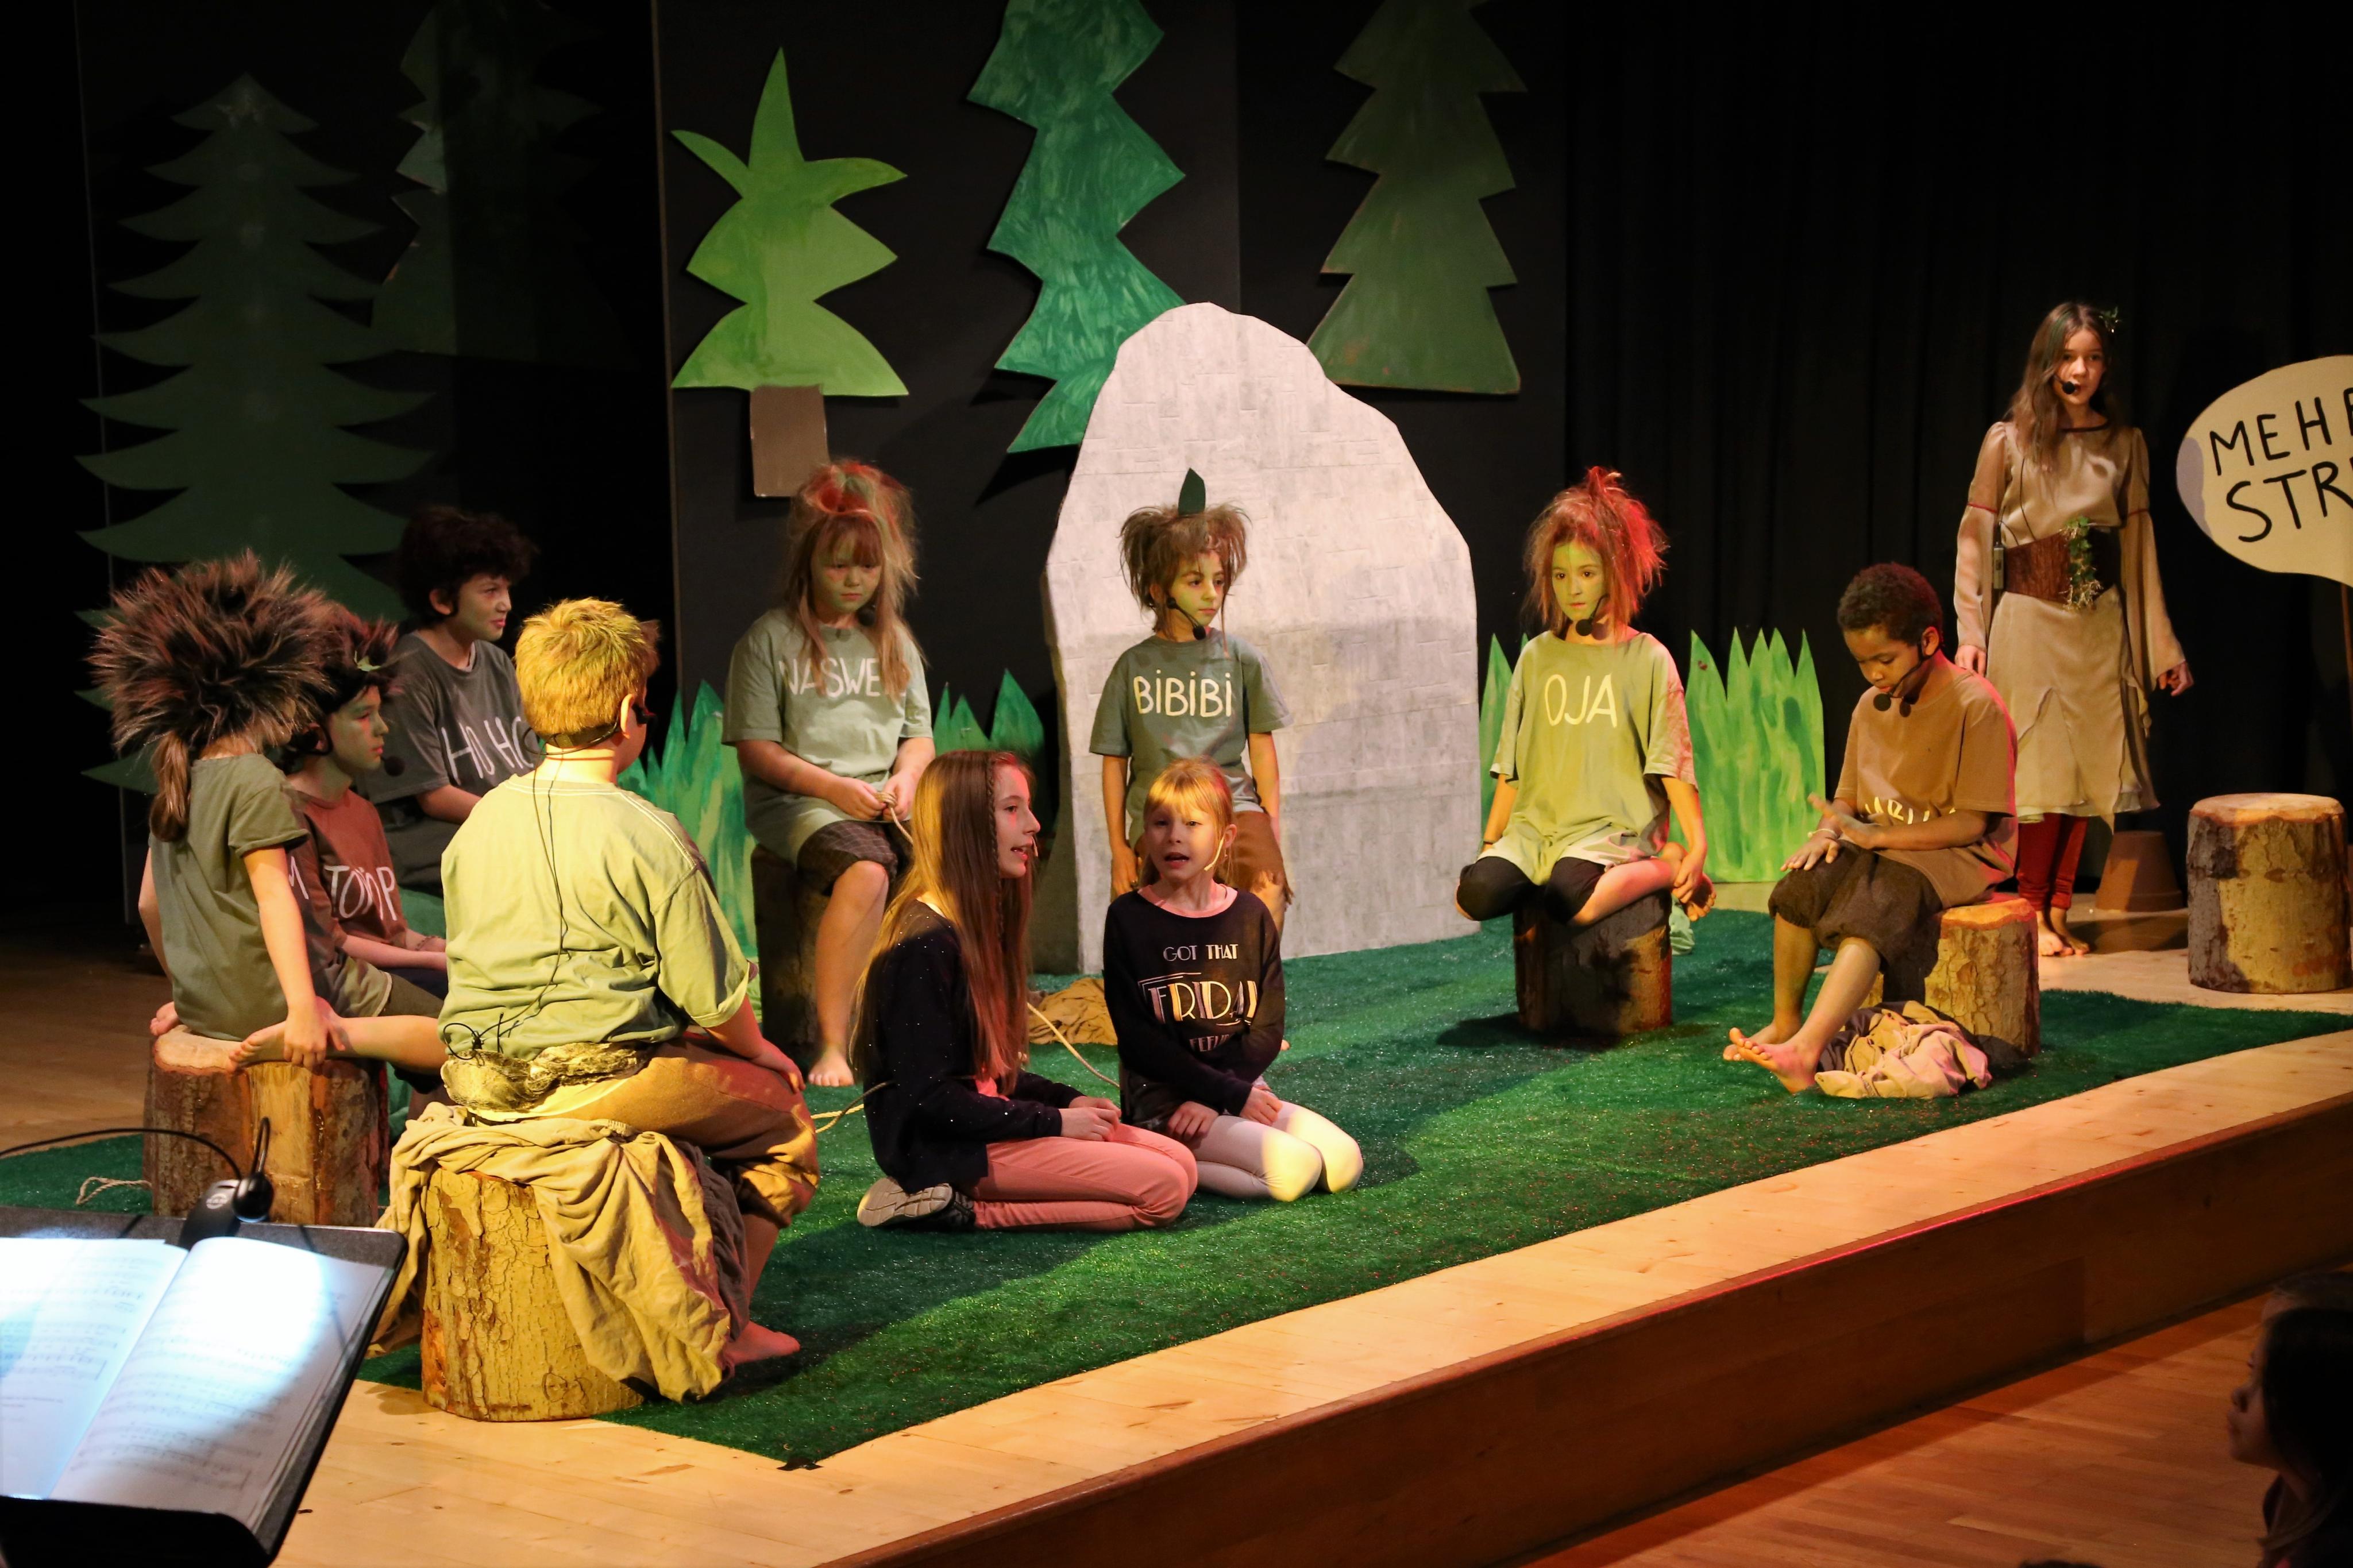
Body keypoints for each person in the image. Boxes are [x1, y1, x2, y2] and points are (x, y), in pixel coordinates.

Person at [90, 554, 443, 1085]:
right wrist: (304, 1010)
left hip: (213, 1008)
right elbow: (275, 898)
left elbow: (149, 905)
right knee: (465, 1040)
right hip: (289, 996)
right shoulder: (256, 778)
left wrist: (191, 993)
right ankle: (347, 1038)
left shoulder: (183, 777)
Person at [854, 750, 1197, 1231]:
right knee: (1165, 1190)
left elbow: (988, 1078)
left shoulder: (973, 924)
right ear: (965, 824)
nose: (1034, 825)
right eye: (1012, 809)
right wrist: (1053, 1122)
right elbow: (931, 1101)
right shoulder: (922, 945)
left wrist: (1066, 1101)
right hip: (952, 1149)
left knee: (1182, 1163)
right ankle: (959, 1209)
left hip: (990, 1126)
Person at [1952, 303, 2190, 958]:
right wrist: (1971, 630)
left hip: (2099, 627)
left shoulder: (2124, 443)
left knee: (2087, 775)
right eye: (2067, 357)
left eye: (2092, 358)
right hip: (2030, 620)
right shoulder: (2008, 441)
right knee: (2040, 773)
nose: (2080, 371)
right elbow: (1975, 538)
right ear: (2047, 363)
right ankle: (2030, 908)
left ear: (2105, 366)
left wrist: (2161, 647)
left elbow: (2139, 549)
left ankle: (2059, 911)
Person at [1725, 564, 2016, 1093]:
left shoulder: (1976, 706)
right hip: (1885, 842)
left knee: (1874, 907)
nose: (1874, 675)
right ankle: (1787, 1023)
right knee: (1800, 889)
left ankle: (1806, 1051)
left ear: (1928, 641)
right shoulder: (1870, 706)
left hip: (1958, 852)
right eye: (1863, 663)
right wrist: (1827, 833)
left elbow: (1972, 822)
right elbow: (1848, 800)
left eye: (1885, 660)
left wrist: (1878, 838)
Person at [724, 461, 934, 1088]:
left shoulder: (892, 640)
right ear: (809, 563)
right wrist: (835, 788)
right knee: (867, 869)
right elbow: (759, 751)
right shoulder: (770, 641)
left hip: (879, 799)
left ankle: (928, 1031)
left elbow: (918, 737)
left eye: (866, 567)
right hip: (802, 804)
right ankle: (835, 1043)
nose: (853, 580)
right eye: (838, 565)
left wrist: (905, 780)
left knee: (948, 865)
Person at [1457, 468, 1711, 929]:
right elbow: (1512, 765)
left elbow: (1671, 762)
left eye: (1587, 573)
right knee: (1473, 896)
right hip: (1537, 832)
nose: (1572, 589)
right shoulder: (1537, 658)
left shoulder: (1648, 659)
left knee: (1573, 901)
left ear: (1614, 574)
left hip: (1609, 831)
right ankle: (1541, 872)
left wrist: (1696, 847)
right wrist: (1491, 843)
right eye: (1561, 575)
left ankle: (1665, 865)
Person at [1105, 759, 1360, 1202]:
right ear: (1146, 833)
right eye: (1161, 823)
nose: (1174, 836)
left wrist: (1222, 1097)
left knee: (1343, 1165)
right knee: (1295, 1171)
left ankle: (1182, 1149)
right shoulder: (1128, 918)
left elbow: (1267, 1029)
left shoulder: (1250, 915)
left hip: (1237, 1091)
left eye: (1192, 824)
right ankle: (1156, 1151)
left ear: (1225, 838)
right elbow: (1138, 1040)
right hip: (1167, 1104)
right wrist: (1218, 1094)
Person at [1092, 470, 1292, 930]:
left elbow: (1262, 747)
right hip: (1162, 815)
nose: (1211, 595)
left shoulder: (1242, 658)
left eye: (1218, 581)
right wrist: (1118, 847)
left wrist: (1271, 824)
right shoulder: (1132, 667)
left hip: (1234, 807)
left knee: (1269, 887)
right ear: (1160, 591)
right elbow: (1113, 762)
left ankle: (1249, 976)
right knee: (1161, 918)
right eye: (1195, 581)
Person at [361, 505, 542, 892]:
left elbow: (530, 761)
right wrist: (527, 821)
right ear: (443, 600)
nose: (506, 604)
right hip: (443, 848)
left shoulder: (496, 662)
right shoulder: (409, 671)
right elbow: (434, 797)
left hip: (507, 831)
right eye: (490, 591)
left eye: (507, 588)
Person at [281, 607, 449, 1013]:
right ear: (314, 731)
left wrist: (445, 949)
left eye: (379, 712)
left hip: (393, 970)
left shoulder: (363, 811)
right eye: (363, 715)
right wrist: (433, 963)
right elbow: (332, 941)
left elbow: (394, 932)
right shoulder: (289, 812)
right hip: (346, 981)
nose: (382, 728)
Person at [2228, 1304, 2352, 1566]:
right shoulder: (2286, 1496)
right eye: (2251, 1372)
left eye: (2264, 1383)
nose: (2238, 1395)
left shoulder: (2332, 1553)